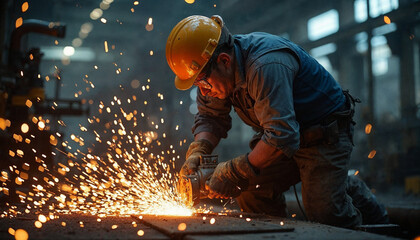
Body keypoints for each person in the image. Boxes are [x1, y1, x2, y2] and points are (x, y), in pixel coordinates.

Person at [165, 15, 389, 228]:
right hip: (283, 136)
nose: (203, 91)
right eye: (197, 85)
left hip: (323, 135)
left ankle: (349, 191)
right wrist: (199, 149)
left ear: (224, 60)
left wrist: (234, 170)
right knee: (251, 190)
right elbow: (210, 116)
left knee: (325, 212)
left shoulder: (265, 65)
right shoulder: (212, 73)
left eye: (203, 83)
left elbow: (282, 137)